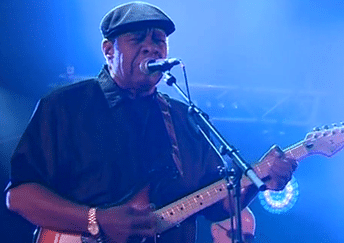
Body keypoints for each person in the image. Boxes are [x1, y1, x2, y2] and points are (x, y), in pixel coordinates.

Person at [5, 2, 297, 243]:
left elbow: (217, 205)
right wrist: (97, 220)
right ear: (109, 51)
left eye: (159, 40)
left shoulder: (184, 118)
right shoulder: (66, 106)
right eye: (137, 39)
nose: (151, 48)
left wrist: (257, 182)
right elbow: (20, 196)